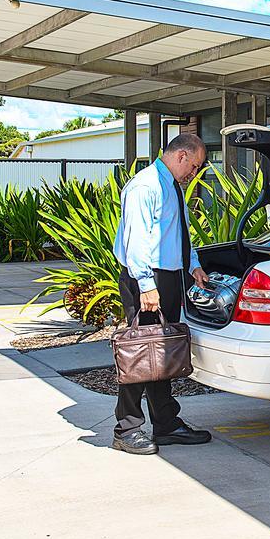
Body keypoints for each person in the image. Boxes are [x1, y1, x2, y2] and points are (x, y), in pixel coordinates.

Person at [111, 133, 213, 455]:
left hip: (167, 276)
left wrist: (192, 264)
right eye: (194, 166)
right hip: (147, 279)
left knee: (161, 353)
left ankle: (166, 424)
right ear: (182, 156)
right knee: (140, 352)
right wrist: (146, 284)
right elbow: (136, 239)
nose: (193, 174)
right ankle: (126, 429)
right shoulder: (146, 186)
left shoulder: (172, 187)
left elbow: (178, 233)